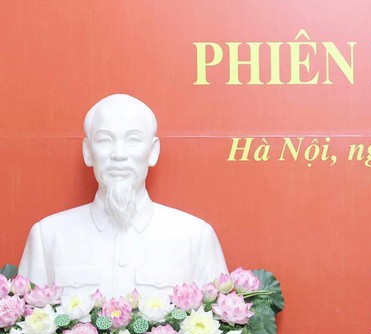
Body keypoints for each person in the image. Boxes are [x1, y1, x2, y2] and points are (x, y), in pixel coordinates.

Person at [18, 93, 227, 298]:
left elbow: (218, 315)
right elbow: (27, 316)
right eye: (105, 140)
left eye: (133, 140)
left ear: (153, 151)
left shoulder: (195, 238)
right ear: (88, 151)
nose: (118, 154)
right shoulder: (48, 237)